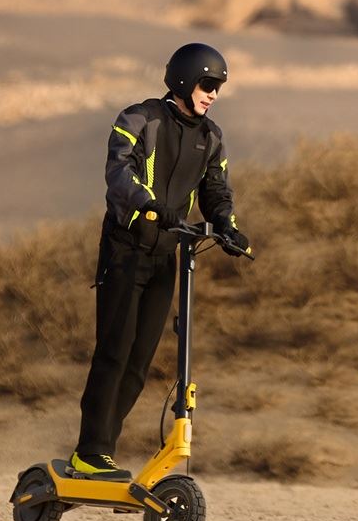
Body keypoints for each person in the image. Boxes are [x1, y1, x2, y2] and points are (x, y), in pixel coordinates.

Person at [71, 43, 250, 481]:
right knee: (114, 352)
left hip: (166, 256)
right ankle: (90, 452)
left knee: (139, 363)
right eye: (207, 84)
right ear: (184, 80)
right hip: (125, 250)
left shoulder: (211, 137)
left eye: (218, 87)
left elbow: (216, 190)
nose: (213, 94)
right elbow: (120, 173)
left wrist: (227, 227)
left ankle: (102, 452)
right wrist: (150, 205)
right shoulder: (140, 119)